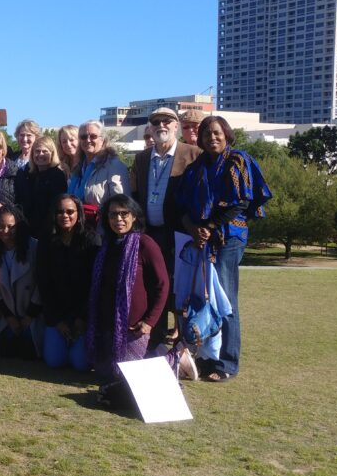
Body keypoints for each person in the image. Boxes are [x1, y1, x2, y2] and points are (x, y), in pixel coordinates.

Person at [178, 115, 271, 382]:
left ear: (226, 134)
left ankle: (227, 362)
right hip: (201, 239)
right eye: (207, 134)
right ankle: (207, 356)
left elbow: (242, 201)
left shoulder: (237, 160)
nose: (212, 138)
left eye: (217, 133)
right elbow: (182, 204)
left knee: (225, 298)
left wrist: (210, 226)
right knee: (202, 295)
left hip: (229, 237)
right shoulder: (196, 168)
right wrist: (194, 229)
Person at [85, 195, 170, 407]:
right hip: (107, 327)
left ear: (134, 217)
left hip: (134, 328)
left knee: (125, 376)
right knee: (105, 373)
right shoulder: (106, 246)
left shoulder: (145, 244)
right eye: (113, 214)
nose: (119, 219)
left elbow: (163, 285)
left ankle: (171, 359)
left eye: (124, 214)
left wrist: (149, 322)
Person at [130, 107, 202, 346]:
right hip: (150, 234)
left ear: (176, 126)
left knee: (182, 290)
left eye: (167, 121)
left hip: (181, 235)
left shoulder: (194, 155)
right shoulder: (141, 158)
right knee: (154, 286)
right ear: (150, 128)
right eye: (156, 122)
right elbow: (136, 194)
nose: (161, 125)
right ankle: (155, 340)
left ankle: (186, 345)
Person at [36, 194, 99, 370]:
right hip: (57, 313)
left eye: (70, 212)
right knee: (54, 361)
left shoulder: (90, 240)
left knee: (81, 364)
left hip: (83, 313)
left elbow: (93, 285)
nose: (65, 215)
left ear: (78, 213)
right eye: (60, 212)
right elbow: (44, 283)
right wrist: (57, 321)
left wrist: (82, 318)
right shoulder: (46, 241)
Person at [0, 205, 41, 359]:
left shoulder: (34, 247)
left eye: (11, 227)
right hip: (8, 316)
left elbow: (41, 286)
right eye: (1, 226)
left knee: (29, 351)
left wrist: (29, 316)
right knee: (7, 350)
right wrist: (9, 318)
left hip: (32, 314)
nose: (6, 231)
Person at [68, 119, 129, 225]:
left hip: (102, 228)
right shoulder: (78, 167)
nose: (88, 140)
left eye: (93, 136)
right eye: (83, 137)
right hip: (78, 227)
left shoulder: (114, 166)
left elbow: (122, 203)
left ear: (102, 139)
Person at [13, 136, 68, 235]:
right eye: (37, 151)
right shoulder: (29, 175)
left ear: (52, 154)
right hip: (29, 228)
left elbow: (56, 206)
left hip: (49, 231)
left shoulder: (57, 175)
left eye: (45, 151)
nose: (40, 154)